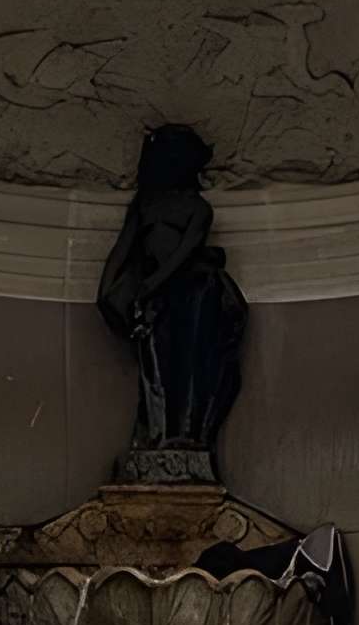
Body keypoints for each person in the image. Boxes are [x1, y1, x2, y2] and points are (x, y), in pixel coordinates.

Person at [97, 124, 248, 466]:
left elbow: (182, 257)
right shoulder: (145, 206)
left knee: (190, 367)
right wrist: (109, 293)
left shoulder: (198, 209)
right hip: (155, 298)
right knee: (157, 369)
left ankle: (188, 437)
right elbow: (123, 251)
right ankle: (158, 437)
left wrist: (148, 288)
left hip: (193, 294)